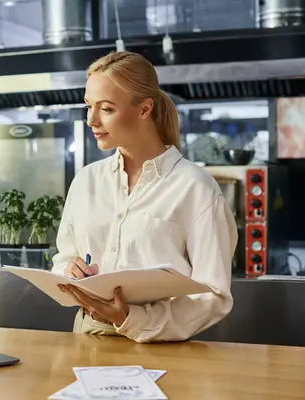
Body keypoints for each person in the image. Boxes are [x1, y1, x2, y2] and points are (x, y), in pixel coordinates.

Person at [51, 51, 238, 343]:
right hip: (86, 340)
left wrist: (132, 319)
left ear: (144, 109)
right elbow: (62, 260)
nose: (91, 120)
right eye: (88, 106)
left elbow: (213, 295)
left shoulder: (196, 188)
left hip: (163, 348)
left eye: (107, 109)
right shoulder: (85, 181)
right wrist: (69, 269)